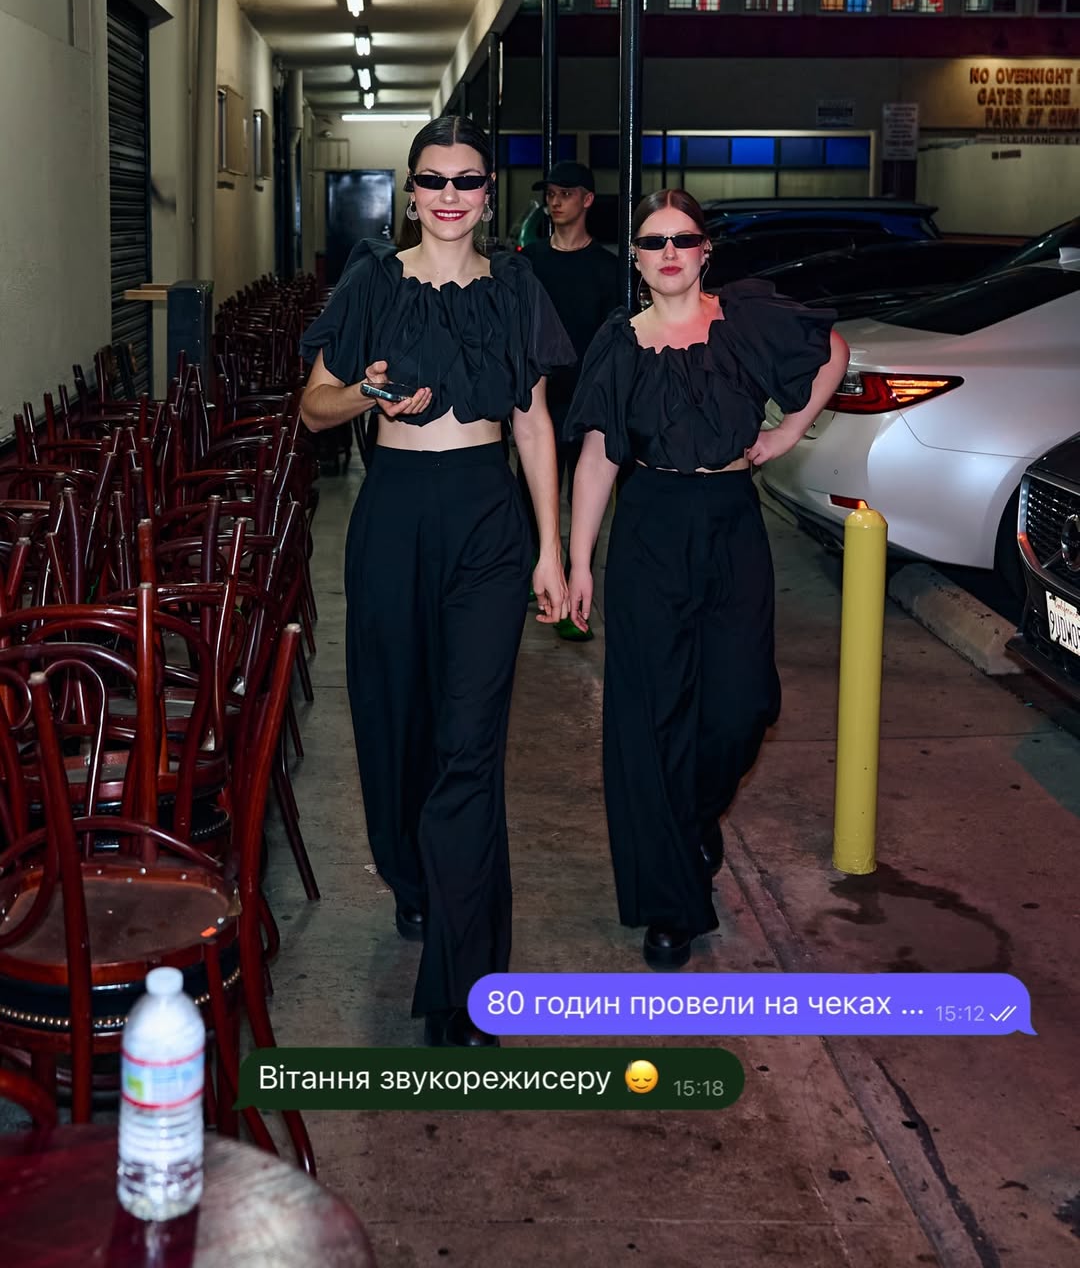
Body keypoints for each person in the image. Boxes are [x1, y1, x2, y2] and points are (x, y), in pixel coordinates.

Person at [298, 116, 574, 1047]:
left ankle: (468, 980)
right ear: (410, 191)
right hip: (393, 516)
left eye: (467, 180)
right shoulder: (373, 282)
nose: (449, 195)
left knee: (469, 744)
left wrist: (551, 547)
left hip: (487, 519)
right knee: (397, 724)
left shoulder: (516, 288)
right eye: (433, 179)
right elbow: (313, 409)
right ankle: (413, 875)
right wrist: (367, 394)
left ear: (489, 195)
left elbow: (533, 423)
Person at [564, 189, 849, 969]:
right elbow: (598, 459)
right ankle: (670, 903)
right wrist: (579, 560)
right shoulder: (619, 343)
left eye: (682, 240)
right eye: (653, 242)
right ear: (634, 256)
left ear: (705, 251)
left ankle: (691, 819)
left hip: (731, 522)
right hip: (649, 526)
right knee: (652, 714)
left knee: (740, 703)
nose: (669, 254)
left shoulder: (745, 321)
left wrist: (789, 431)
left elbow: (832, 350)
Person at [520, 161, 617, 641]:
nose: (555, 201)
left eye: (566, 193)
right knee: (531, 498)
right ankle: (537, 582)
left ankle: (575, 601)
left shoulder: (608, 269)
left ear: (588, 200)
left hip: (586, 405)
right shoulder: (530, 261)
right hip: (536, 401)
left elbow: (615, 340)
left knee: (584, 507)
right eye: (551, 193)